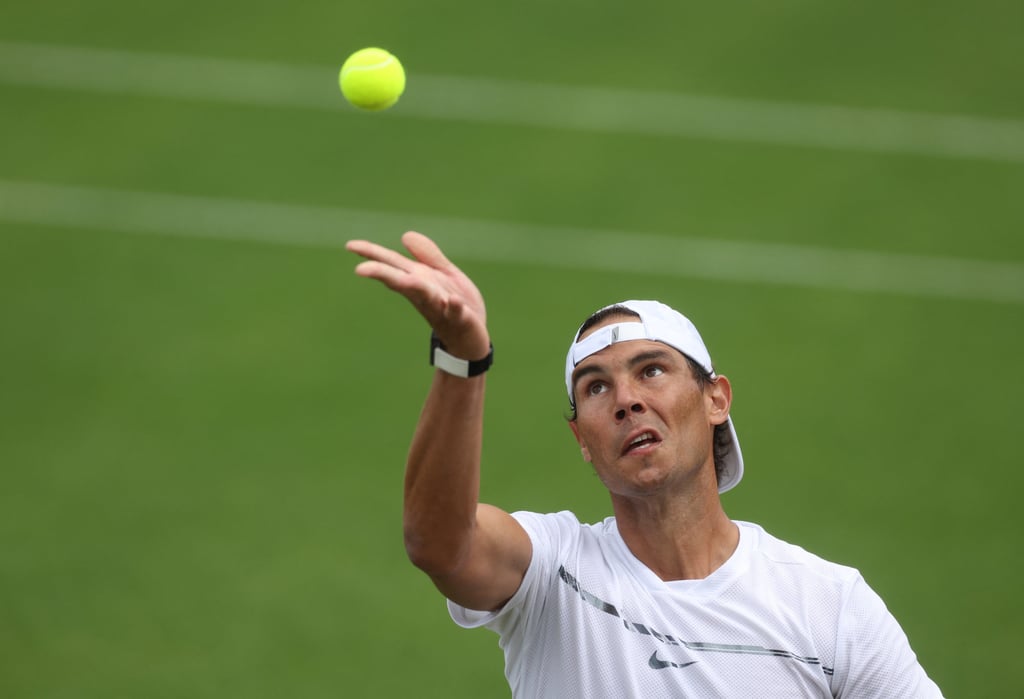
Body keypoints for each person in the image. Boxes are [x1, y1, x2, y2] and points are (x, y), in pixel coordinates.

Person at [345, 231, 944, 698]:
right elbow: (438, 543)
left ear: (716, 399)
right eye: (596, 388)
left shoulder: (829, 605)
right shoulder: (551, 572)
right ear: (582, 437)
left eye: (651, 370)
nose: (627, 399)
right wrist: (462, 359)